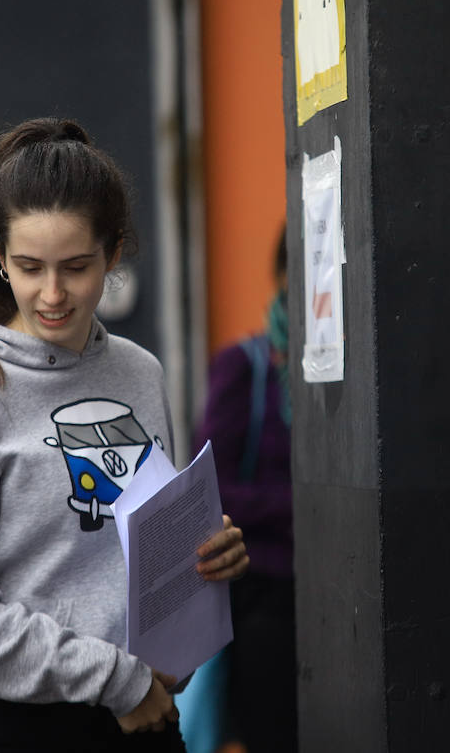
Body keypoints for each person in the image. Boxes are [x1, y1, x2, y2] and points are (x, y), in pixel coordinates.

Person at [0, 117, 250, 752]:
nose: (52, 294)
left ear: (113, 254)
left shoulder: (139, 372)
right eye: (29, 267)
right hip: (4, 727)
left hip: (138, 715)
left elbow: (142, 561)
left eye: (77, 267)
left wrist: (203, 569)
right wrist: (120, 679)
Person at [194, 227, 296, 752]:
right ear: (281, 276)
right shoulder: (246, 368)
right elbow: (209, 490)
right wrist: (302, 508)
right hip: (265, 601)